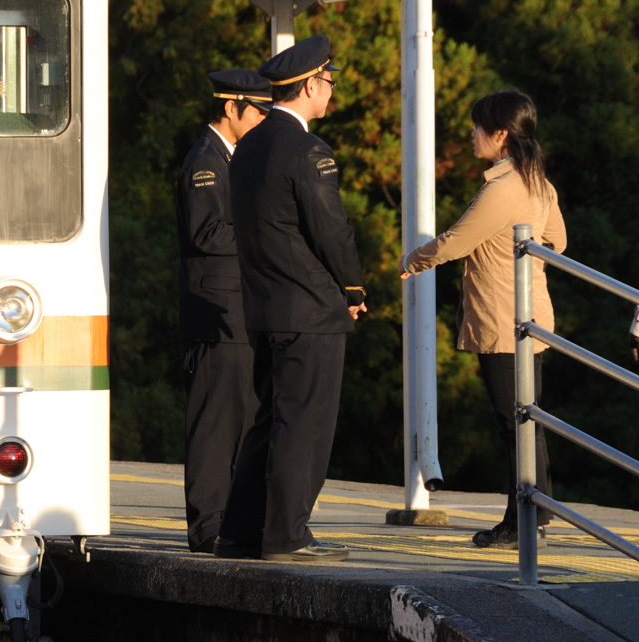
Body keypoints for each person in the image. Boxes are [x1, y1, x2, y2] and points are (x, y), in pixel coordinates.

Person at [213, 36, 367, 562]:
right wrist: (353, 288)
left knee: (269, 419)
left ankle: (239, 532)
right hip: (311, 309)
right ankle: (287, 536)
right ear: (307, 85)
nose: (331, 90)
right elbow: (331, 230)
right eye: (328, 81)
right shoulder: (307, 150)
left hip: (264, 307)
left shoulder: (248, 145)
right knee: (305, 424)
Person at [399, 90, 567, 549]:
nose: (471, 135)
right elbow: (558, 240)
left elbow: (457, 240)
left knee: (512, 422)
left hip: (502, 321)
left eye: (478, 128)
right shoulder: (538, 182)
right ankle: (535, 513)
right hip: (533, 317)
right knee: (526, 420)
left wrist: (413, 259)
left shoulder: (504, 187)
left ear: (500, 135)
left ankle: (522, 522)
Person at [176, 69, 271, 553]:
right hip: (216, 310)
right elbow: (207, 232)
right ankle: (208, 525)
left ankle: (233, 522)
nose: (261, 120)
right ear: (231, 107)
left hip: (238, 311)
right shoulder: (206, 161)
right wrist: (266, 236)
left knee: (244, 418)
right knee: (216, 423)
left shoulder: (233, 157)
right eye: (257, 111)